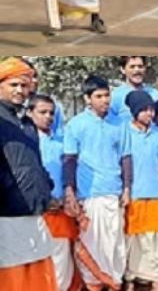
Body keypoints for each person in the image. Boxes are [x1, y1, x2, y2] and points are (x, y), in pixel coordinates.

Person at [62, 75, 130, 290]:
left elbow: (126, 157)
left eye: (106, 95)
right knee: (93, 244)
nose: (104, 100)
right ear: (87, 99)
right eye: (99, 96)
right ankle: (93, 285)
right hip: (90, 194)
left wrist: (127, 189)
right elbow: (69, 160)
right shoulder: (76, 124)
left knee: (115, 245)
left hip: (114, 192)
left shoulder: (120, 122)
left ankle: (113, 283)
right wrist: (70, 191)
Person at [0, 59, 58, 291]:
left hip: (34, 211)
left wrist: (46, 187)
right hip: (6, 214)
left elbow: (35, 163)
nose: (19, 91)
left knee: (39, 275)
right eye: (13, 84)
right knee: (12, 279)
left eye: (24, 86)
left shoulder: (27, 123)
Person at [29, 94, 79, 291]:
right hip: (34, 211)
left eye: (51, 113)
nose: (48, 117)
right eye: (42, 112)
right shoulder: (25, 143)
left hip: (59, 209)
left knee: (61, 259)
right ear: (29, 113)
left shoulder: (61, 144)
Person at [123, 91, 158, 290]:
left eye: (151, 110)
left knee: (157, 238)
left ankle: (155, 276)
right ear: (134, 112)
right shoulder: (125, 133)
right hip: (134, 193)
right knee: (133, 238)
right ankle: (130, 277)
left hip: (156, 193)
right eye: (144, 110)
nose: (149, 114)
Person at [110, 57, 158, 122]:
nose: (137, 70)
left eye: (140, 66)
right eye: (132, 67)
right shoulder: (115, 96)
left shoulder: (154, 94)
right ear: (122, 69)